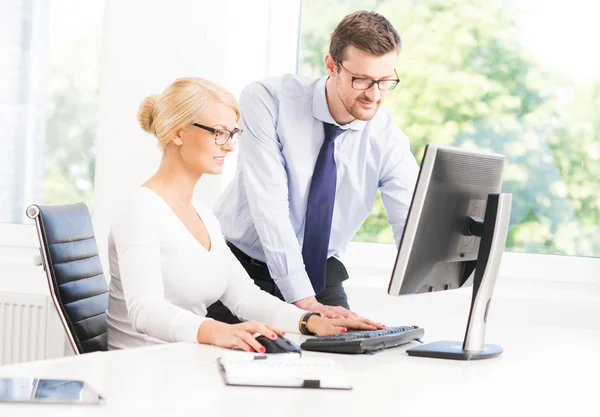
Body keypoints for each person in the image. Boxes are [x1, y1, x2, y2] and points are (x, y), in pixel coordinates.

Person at [105, 77, 382, 352]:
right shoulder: (140, 211)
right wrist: (217, 331)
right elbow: (144, 310)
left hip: (188, 364)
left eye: (232, 134)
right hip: (144, 371)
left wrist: (310, 321)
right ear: (178, 133)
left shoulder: (203, 216)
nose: (229, 146)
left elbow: (244, 297)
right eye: (219, 133)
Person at [211, 10, 419, 323]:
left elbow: (411, 223)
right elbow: (270, 208)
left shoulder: (386, 136)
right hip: (242, 269)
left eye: (385, 81)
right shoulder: (268, 101)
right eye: (361, 80)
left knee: (348, 353)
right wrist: (305, 304)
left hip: (321, 273)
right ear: (331, 66)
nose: (374, 96)